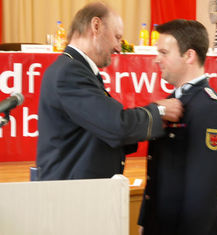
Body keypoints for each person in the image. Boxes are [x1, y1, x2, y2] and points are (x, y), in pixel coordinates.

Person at [36, 2, 182, 180]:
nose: (119, 48)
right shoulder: (70, 72)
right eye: (117, 37)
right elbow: (115, 125)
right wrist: (160, 111)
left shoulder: (75, 68)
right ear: (96, 26)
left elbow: (100, 129)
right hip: (71, 195)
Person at [138, 19, 217, 235]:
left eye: (163, 52)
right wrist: (146, 220)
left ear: (189, 56)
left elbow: (204, 193)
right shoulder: (172, 102)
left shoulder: (209, 109)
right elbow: (156, 172)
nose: (156, 60)